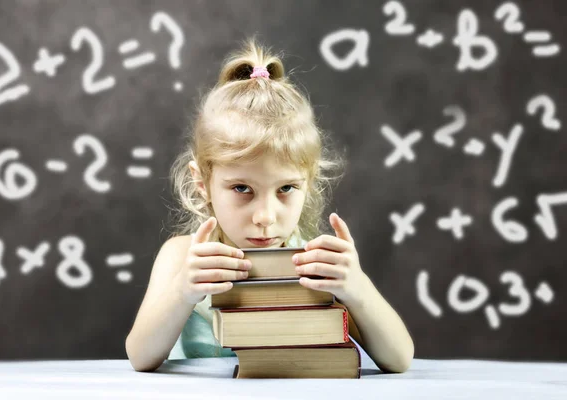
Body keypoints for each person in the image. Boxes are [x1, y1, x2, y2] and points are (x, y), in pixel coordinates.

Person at [125, 38, 414, 373]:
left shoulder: (315, 263)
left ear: (309, 182)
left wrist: (356, 287)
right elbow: (140, 356)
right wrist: (183, 290)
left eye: (287, 188)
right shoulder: (183, 257)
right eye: (242, 188)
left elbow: (399, 359)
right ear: (202, 183)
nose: (265, 217)